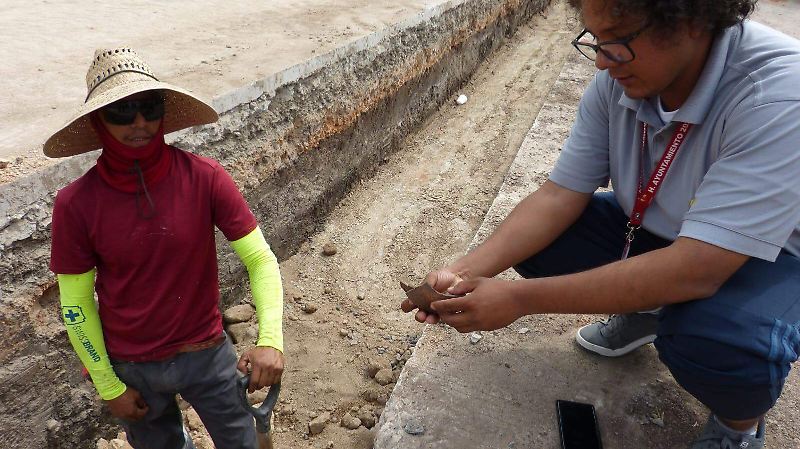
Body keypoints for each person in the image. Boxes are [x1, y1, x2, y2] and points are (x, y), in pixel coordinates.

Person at [401, 1, 800, 447]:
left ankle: (738, 426)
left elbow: (698, 268)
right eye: (595, 39)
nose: (602, 61)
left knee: (721, 342)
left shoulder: (779, 95)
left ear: (693, 22)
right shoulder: (620, 80)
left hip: (770, 258)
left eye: (619, 39)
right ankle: (647, 313)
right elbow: (558, 196)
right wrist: (463, 273)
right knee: (543, 242)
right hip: (666, 231)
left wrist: (518, 299)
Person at [46, 47, 285, 449]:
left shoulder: (205, 178)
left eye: (149, 107)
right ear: (98, 120)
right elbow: (75, 303)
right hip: (132, 367)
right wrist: (108, 385)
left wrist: (271, 340)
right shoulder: (76, 204)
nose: (139, 122)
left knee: (243, 442)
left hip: (206, 352)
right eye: (122, 111)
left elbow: (260, 259)